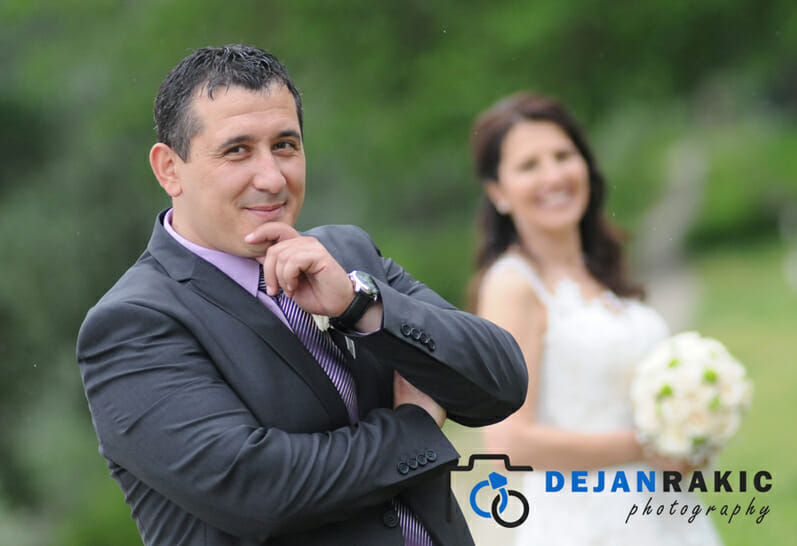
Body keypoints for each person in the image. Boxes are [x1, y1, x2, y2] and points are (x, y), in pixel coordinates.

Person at [76, 45, 527, 546]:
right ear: (168, 169)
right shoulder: (131, 322)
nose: (272, 178)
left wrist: (361, 307)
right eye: (237, 150)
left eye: (285, 145)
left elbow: (502, 382)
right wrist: (415, 425)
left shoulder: (346, 254)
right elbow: (259, 492)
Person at [469, 92, 722, 545]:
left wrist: (690, 432)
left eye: (563, 156)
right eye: (529, 166)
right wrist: (647, 445)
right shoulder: (513, 285)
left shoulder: (602, 269)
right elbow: (509, 442)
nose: (553, 176)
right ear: (498, 192)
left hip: (666, 512)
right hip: (586, 522)